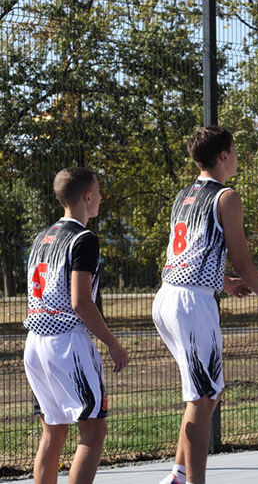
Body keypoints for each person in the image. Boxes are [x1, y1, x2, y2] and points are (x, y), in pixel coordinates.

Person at [153, 126, 258, 484]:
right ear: (223, 156)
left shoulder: (183, 195)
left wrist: (222, 282)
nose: (237, 156)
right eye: (234, 150)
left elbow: (189, 254)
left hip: (170, 295)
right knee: (202, 398)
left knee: (208, 393)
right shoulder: (226, 197)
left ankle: (178, 475)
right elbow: (243, 261)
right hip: (191, 305)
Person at [23, 167, 130, 484]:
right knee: (93, 431)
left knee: (53, 432)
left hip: (35, 344)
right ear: (86, 196)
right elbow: (81, 301)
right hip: (66, 343)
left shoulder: (42, 237)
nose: (100, 197)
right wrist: (112, 341)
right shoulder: (83, 240)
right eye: (97, 192)